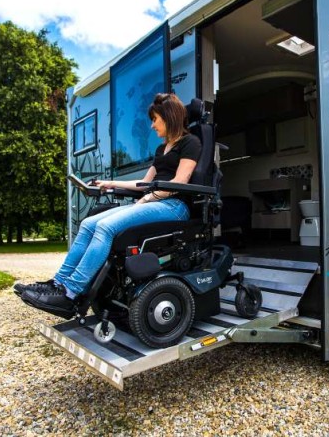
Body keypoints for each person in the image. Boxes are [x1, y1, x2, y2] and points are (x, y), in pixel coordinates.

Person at [16, 93, 202, 319]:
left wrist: (148, 198)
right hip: (153, 202)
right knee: (88, 223)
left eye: (155, 119)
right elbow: (144, 182)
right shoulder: (161, 149)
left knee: (105, 226)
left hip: (174, 206)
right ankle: (57, 284)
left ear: (169, 117)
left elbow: (180, 182)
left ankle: (71, 293)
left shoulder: (190, 142)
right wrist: (110, 183)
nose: (152, 125)